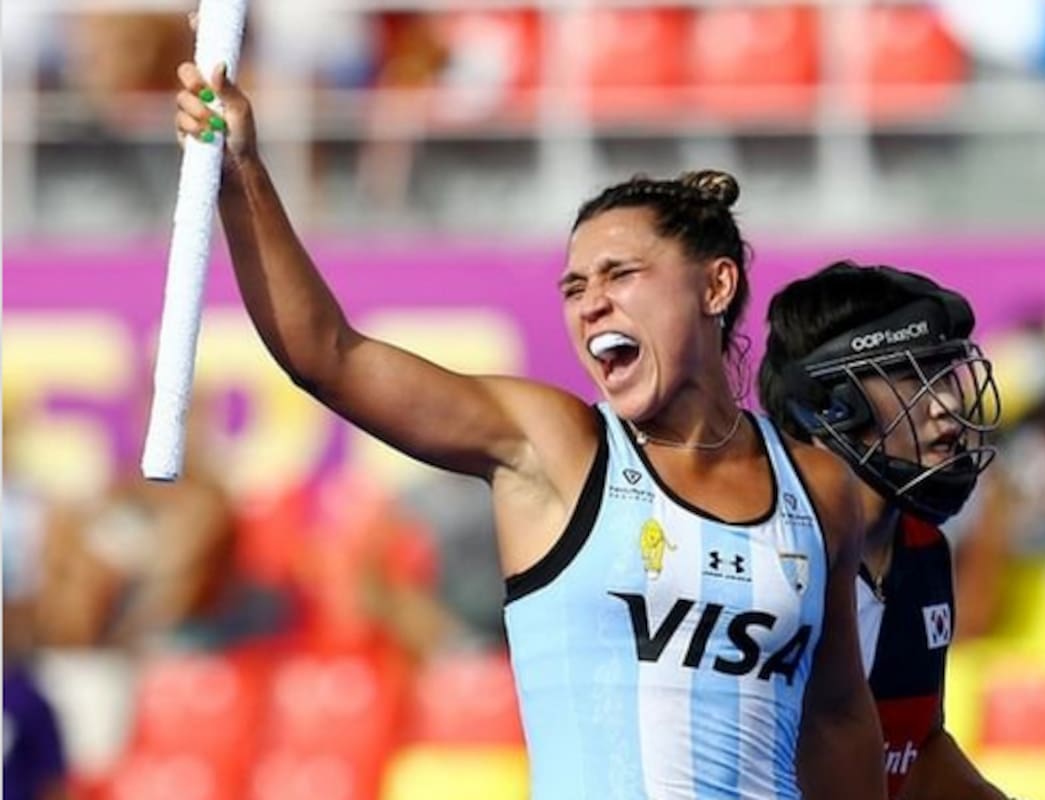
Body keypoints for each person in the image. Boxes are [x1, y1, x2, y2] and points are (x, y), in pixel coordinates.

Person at [174, 54, 884, 799]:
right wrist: (242, 173)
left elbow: (837, 718)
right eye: (575, 287)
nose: (591, 304)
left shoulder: (819, 487)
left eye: (621, 274)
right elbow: (328, 355)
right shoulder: (554, 447)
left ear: (716, 284)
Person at [758, 261, 1009, 800]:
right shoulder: (754, 556)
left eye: (947, 374)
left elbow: (916, 751)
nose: (949, 405)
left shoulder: (922, 550)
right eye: (913, 376)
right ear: (831, 403)